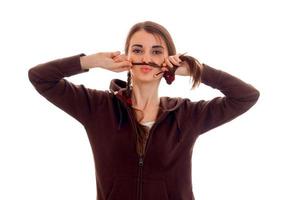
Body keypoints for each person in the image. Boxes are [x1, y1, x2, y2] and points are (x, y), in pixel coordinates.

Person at [28, 21, 260, 200]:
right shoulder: (97, 107)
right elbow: (40, 78)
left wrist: (197, 70)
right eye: (138, 50)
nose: (146, 58)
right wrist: (92, 61)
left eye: (157, 52)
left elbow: (246, 96)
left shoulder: (187, 115)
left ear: (169, 60)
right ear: (127, 57)